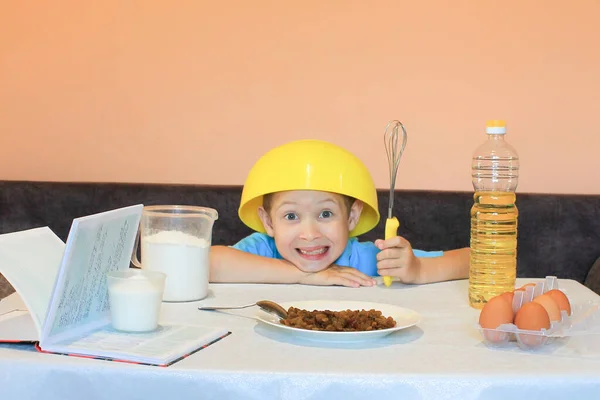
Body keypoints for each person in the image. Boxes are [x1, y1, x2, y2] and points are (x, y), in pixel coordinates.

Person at [210, 139, 469, 287]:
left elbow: (472, 260)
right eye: (291, 216)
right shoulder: (262, 250)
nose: (310, 234)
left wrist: (418, 270)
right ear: (268, 222)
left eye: (325, 214)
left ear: (352, 217)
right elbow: (205, 263)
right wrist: (305, 275)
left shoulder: (368, 259)